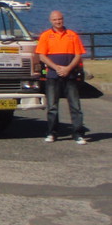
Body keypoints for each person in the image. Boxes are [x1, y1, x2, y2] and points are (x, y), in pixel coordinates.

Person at [36, 10, 87, 145]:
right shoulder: (45, 36)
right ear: (50, 21)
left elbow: (78, 55)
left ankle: (78, 133)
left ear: (63, 19)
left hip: (70, 75)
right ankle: (52, 132)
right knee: (52, 106)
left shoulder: (72, 35)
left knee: (75, 106)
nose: (58, 22)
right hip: (53, 75)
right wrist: (56, 67)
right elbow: (42, 56)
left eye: (60, 19)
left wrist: (68, 68)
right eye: (55, 20)